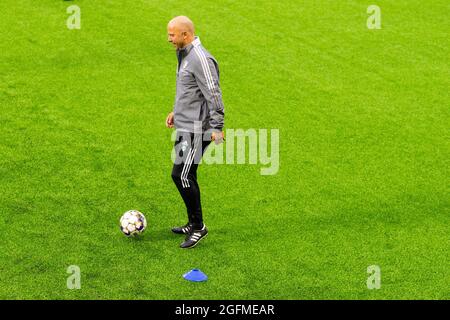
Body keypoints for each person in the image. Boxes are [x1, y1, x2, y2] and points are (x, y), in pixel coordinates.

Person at [165, 16, 225, 248]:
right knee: (185, 174)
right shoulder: (185, 55)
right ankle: (192, 223)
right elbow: (189, 91)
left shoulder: (201, 59)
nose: (169, 39)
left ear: (185, 35)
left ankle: (199, 227)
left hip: (199, 129)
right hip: (185, 124)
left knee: (181, 174)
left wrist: (216, 128)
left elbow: (214, 95)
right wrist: (175, 111)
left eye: (172, 35)